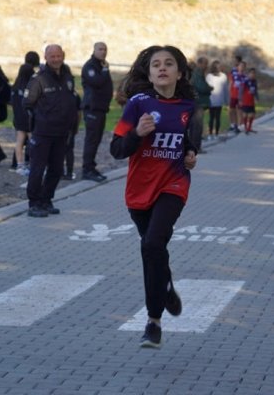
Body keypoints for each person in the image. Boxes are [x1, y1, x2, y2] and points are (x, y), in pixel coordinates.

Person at [110, 45, 197, 348]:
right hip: (139, 189)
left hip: (173, 184)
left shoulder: (188, 106)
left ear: (179, 72)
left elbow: (188, 141)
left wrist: (190, 155)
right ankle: (167, 284)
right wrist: (137, 133)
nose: (162, 68)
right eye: (156, 64)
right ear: (148, 73)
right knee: (154, 250)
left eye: (169, 64)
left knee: (151, 244)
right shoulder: (138, 104)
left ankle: (153, 322)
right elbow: (117, 149)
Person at [24, 44, 80, 218]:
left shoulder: (67, 76)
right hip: (43, 132)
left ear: (63, 56)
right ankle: (34, 203)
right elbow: (27, 104)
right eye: (52, 56)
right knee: (37, 169)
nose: (56, 59)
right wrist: (40, 120)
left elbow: (72, 100)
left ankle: (46, 200)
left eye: (58, 56)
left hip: (62, 132)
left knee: (56, 170)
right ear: (46, 57)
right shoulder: (39, 78)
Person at [80, 41, 114, 182]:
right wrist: (106, 71)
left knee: (96, 139)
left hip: (101, 109)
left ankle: (91, 167)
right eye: (100, 49)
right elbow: (97, 82)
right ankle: (87, 169)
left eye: (105, 49)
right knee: (91, 140)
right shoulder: (90, 66)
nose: (103, 52)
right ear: (94, 50)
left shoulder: (101, 65)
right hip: (92, 109)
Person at [10, 51, 40, 175]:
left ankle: (20, 164)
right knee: (33, 142)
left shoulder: (15, 87)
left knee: (19, 142)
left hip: (18, 117)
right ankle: (35, 163)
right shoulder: (30, 87)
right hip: (28, 117)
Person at [189, 56, 212, 152]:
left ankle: (194, 146)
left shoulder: (199, 73)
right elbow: (201, 87)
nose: (206, 66)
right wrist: (209, 89)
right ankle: (195, 147)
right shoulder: (197, 73)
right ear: (199, 63)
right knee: (197, 126)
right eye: (205, 63)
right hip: (198, 103)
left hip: (199, 102)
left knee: (195, 126)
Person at [205, 60, 228, 141]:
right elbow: (225, 90)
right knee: (216, 117)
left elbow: (225, 89)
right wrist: (226, 101)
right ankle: (215, 134)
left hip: (213, 100)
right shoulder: (222, 76)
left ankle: (212, 134)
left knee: (213, 118)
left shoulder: (210, 76)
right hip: (216, 100)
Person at [240, 68, 259, 134]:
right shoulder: (245, 81)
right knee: (245, 115)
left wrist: (257, 98)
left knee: (251, 115)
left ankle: (249, 127)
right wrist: (240, 99)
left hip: (251, 101)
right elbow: (241, 90)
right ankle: (245, 127)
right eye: (251, 73)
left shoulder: (255, 81)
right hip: (245, 100)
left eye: (254, 73)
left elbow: (256, 91)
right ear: (248, 74)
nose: (253, 75)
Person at [228, 55, 243, 134]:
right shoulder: (232, 71)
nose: (234, 62)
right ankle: (232, 124)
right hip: (233, 93)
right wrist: (229, 90)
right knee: (231, 110)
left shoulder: (242, 71)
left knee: (238, 110)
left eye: (235, 60)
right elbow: (230, 81)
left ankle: (237, 125)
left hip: (239, 95)